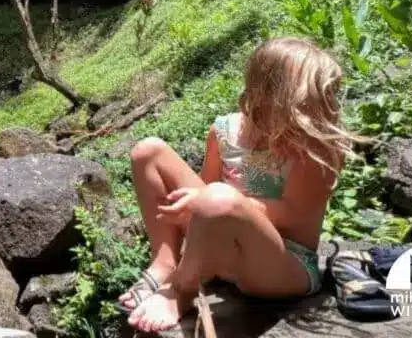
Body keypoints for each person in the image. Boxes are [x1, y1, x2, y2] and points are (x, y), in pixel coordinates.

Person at [118, 37, 357, 333]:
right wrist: (196, 209)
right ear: (268, 93)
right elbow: (208, 192)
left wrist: (215, 202)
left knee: (219, 198)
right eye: (312, 102)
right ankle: (165, 262)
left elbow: (295, 212)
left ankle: (181, 290)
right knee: (148, 151)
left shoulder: (313, 148)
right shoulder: (224, 131)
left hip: (282, 264)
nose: (323, 110)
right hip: (226, 249)